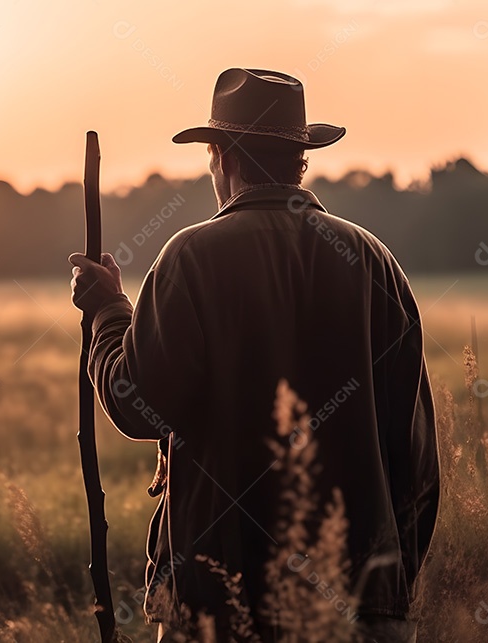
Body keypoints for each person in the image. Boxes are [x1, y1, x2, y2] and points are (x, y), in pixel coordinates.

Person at [69, 68, 439, 642]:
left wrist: (107, 313)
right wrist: (388, 595)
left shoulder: (190, 256)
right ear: (301, 158)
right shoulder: (374, 261)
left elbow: (137, 405)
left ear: (221, 156)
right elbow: (415, 460)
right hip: (361, 608)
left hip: (222, 611)